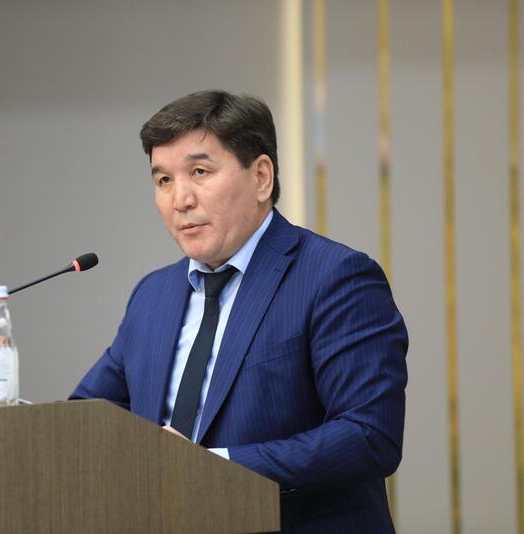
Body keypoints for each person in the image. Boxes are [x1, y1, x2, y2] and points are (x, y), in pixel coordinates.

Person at [69, 90, 408, 533]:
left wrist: (211, 468)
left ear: (261, 177)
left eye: (199, 172)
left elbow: (369, 435)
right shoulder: (152, 295)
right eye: (163, 180)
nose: (180, 199)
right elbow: (85, 418)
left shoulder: (334, 278)